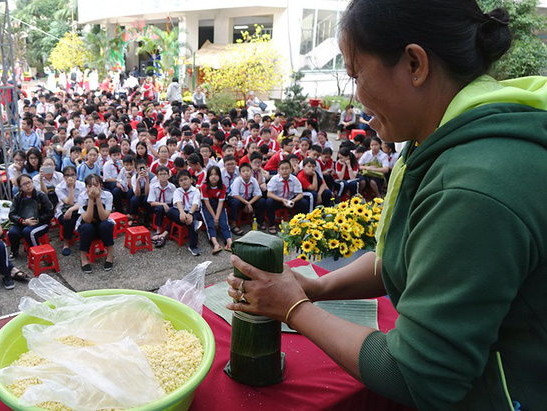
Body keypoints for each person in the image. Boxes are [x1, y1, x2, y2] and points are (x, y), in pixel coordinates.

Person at [224, 1, 547, 409]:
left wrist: (294, 308)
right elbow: (401, 255)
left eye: (357, 75)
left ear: (415, 64)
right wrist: (318, 287)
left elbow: (416, 375)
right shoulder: (442, 138)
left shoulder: (472, 187)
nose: (357, 99)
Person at [7, 174, 54, 261]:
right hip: (24, 222)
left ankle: (37, 253)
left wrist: (38, 220)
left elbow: (50, 212)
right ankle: (14, 251)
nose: (28, 185)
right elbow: (11, 214)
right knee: (12, 232)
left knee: (28, 232)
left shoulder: (41, 196)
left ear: (32, 182)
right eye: (24, 184)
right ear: (20, 187)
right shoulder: (18, 197)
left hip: (40, 222)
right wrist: (23, 221)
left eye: (29, 182)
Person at [77, 174, 115, 273]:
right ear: (86, 187)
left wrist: (97, 198)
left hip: (101, 223)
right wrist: (90, 199)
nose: (93, 188)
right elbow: (87, 219)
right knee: (87, 227)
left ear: (101, 185)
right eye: (89, 186)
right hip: (88, 225)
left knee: (106, 225)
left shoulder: (108, 195)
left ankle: (109, 256)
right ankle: (84, 259)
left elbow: (103, 217)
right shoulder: (82, 196)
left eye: (96, 185)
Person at [265, 159, 306, 234]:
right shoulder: (274, 179)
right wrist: (281, 200)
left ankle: (298, 224)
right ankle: (272, 225)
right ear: (278, 170)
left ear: (291, 169)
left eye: (287, 168)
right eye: (282, 169)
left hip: (290, 200)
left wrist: (294, 200)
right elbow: (269, 194)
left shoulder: (294, 179)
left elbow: (300, 194)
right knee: (269, 202)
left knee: (303, 202)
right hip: (278, 200)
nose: (285, 171)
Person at [167, 170, 202, 256]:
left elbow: (195, 203)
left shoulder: (195, 191)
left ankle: (193, 246)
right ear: (178, 182)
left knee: (193, 219)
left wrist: (189, 214)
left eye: (185, 179)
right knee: (171, 211)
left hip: (192, 211)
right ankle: (194, 223)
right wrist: (182, 214)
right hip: (180, 212)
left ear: (191, 180)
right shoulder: (177, 191)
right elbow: (178, 202)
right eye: (181, 180)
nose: (184, 182)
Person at [199, 166, 232, 254]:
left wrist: (217, 218)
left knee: (224, 223)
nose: (214, 177)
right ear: (208, 176)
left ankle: (229, 242)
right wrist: (214, 218)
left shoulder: (222, 187)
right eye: (211, 175)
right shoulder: (204, 186)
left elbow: (221, 203)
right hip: (207, 206)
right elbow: (207, 203)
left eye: (216, 174)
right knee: (210, 224)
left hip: (218, 206)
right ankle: (216, 244)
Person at [55, 165, 84, 256]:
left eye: (72, 175)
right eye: (67, 175)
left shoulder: (82, 185)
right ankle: (66, 243)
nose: (70, 177)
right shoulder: (59, 188)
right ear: (63, 177)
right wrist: (71, 187)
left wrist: (71, 209)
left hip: (78, 209)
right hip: (64, 210)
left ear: (76, 175)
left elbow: (83, 202)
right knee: (68, 219)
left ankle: (85, 240)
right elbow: (69, 202)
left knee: (87, 217)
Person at [228, 162, 264, 235]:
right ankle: (234, 225)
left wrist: (249, 203)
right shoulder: (237, 180)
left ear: (251, 171)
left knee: (261, 201)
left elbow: (258, 194)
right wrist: (247, 203)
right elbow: (235, 194)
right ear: (240, 173)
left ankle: (258, 222)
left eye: (248, 171)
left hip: (248, 199)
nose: (246, 173)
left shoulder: (253, 180)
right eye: (243, 171)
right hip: (237, 199)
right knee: (235, 203)